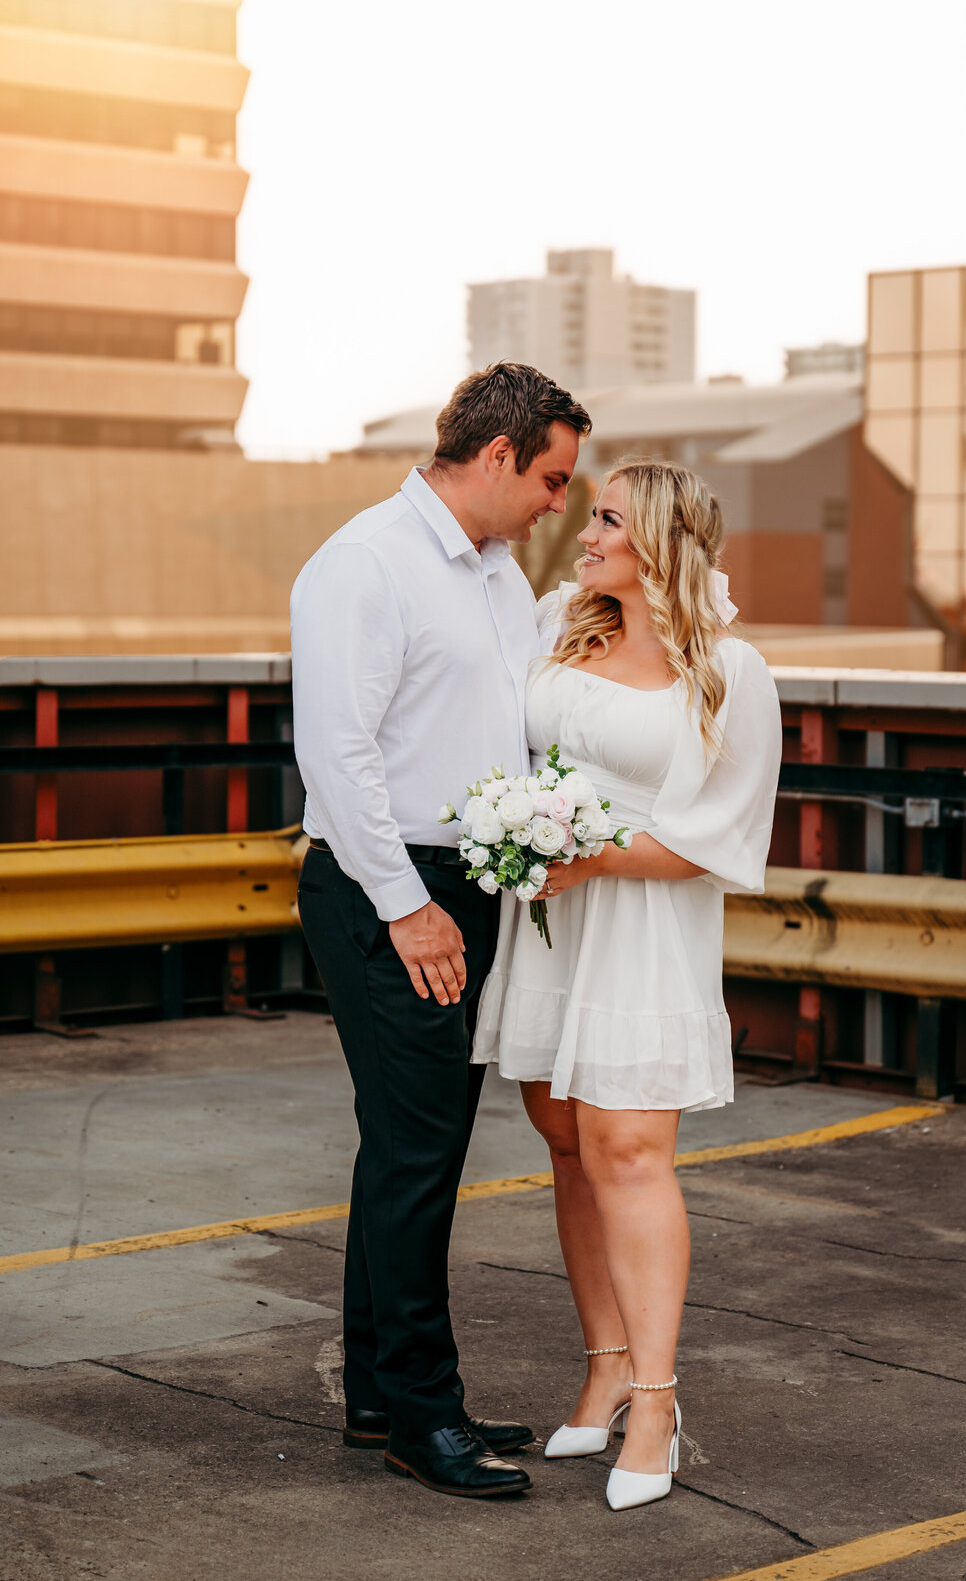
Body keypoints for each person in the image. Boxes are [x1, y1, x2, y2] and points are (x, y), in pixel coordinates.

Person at [290, 362, 591, 1501]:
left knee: (411, 1148)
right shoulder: (365, 563)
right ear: (501, 454)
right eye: (553, 478)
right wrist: (407, 906)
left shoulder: (502, 576)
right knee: (421, 1156)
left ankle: (380, 1391)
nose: (560, 502)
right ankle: (426, 1413)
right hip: (387, 885)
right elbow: (340, 752)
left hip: (469, 881)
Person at [473, 458, 782, 1510]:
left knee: (631, 1150)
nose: (585, 533)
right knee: (566, 1138)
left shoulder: (731, 672)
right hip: (554, 921)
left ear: (658, 542)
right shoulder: (561, 618)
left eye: (606, 518)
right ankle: (602, 1364)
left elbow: (725, 838)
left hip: (644, 925)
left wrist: (591, 853)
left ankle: (656, 1400)